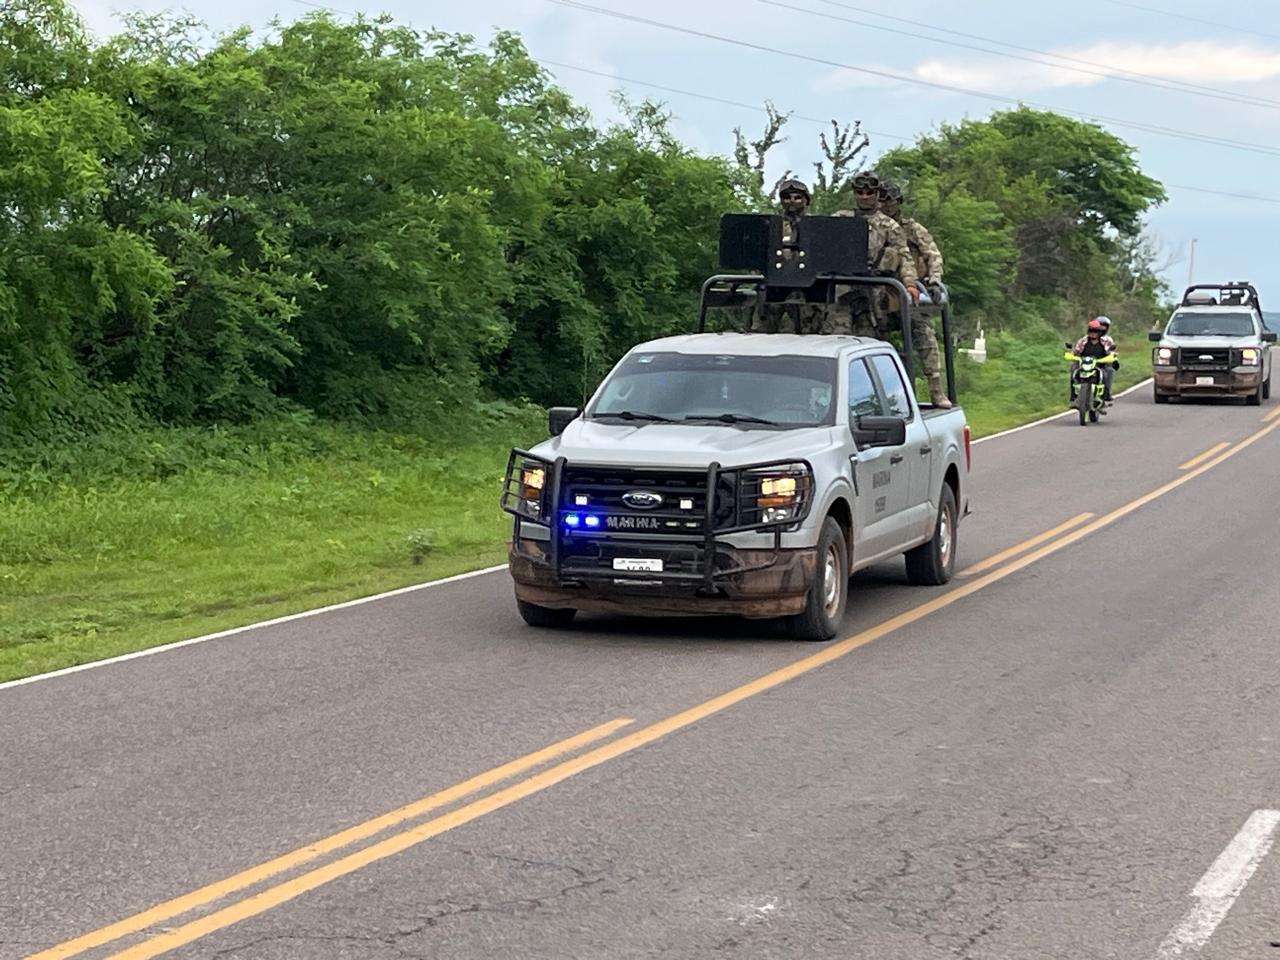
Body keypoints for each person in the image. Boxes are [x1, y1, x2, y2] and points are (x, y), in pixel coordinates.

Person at [880, 180, 951, 408]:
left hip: (909, 293)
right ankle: (881, 395)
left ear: (898, 202)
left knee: (924, 335)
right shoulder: (872, 226)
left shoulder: (911, 229)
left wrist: (934, 279)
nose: (885, 205)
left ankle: (936, 390)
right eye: (881, 199)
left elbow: (933, 255)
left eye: (889, 200)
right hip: (878, 294)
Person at [827, 171, 920, 340]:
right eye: (860, 192)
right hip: (842, 287)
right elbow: (821, 245)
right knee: (837, 336)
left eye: (869, 192)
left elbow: (904, 256)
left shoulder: (889, 225)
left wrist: (910, 283)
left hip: (874, 289)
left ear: (877, 194)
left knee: (870, 337)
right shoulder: (840, 219)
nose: (864, 197)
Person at [751, 178, 827, 334]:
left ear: (806, 200)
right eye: (787, 197)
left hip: (808, 288)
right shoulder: (771, 226)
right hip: (774, 286)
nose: (792, 201)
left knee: (810, 334)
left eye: (797, 197)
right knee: (760, 333)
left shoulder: (818, 227)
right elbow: (758, 258)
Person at [1072, 318, 1118, 403]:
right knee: (1074, 372)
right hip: (1085, 365)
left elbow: (1112, 352)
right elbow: (1076, 352)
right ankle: (1074, 397)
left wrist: (1111, 357)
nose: (1093, 333)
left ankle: (1106, 395)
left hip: (1101, 365)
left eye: (1096, 331)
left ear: (1100, 332)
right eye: (1091, 331)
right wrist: (1074, 356)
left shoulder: (1107, 341)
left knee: (1108, 372)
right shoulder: (1083, 341)